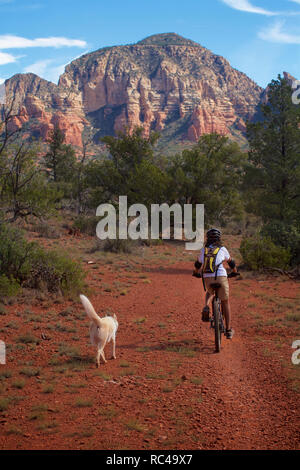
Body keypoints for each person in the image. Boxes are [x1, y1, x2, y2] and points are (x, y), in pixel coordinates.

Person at [193, 228, 237, 339]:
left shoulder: (204, 250)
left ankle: (206, 305)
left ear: (208, 238)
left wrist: (196, 273)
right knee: (225, 301)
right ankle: (228, 330)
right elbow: (231, 262)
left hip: (207, 277)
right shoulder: (222, 249)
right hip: (221, 276)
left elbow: (198, 264)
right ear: (219, 239)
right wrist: (235, 272)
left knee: (209, 291)